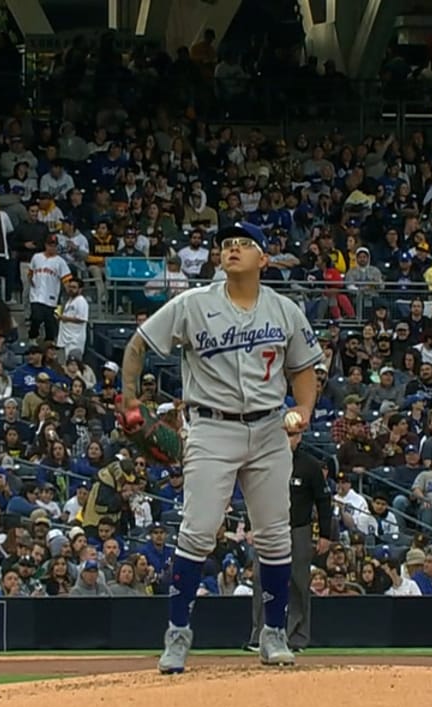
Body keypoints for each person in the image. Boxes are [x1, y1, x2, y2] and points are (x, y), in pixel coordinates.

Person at [122, 221, 320, 672]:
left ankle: (273, 634)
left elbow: (304, 369)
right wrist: (130, 397)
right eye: (225, 245)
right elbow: (137, 345)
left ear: (264, 259)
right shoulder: (193, 304)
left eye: (243, 244)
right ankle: (177, 635)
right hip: (211, 427)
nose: (231, 250)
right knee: (197, 530)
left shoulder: (285, 310)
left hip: (270, 428)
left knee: (273, 535)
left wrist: (304, 411)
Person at [248, 429, 334, 652]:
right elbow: (253, 495)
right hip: (268, 528)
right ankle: (260, 635)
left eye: (293, 436)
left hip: (299, 529)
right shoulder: (265, 461)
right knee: (260, 578)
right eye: (286, 435)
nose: (290, 440)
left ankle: (297, 637)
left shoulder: (310, 465)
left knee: (298, 582)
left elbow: (324, 501)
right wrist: (251, 527)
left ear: (300, 438)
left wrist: (325, 534)